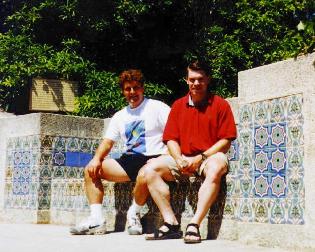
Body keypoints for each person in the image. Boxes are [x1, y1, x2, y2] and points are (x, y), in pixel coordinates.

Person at [143, 61, 237, 243]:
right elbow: (171, 139)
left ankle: (194, 224)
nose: (196, 83)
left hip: (208, 157)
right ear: (186, 80)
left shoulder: (220, 104)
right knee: (149, 169)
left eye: (200, 79)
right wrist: (178, 159)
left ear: (208, 79)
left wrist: (201, 157)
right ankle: (170, 223)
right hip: (182, 158)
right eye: (192, 79)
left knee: (217, 166)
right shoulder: (178, 106)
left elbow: (226, 140)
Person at [70, 69, 170, 235]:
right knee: (90, 169)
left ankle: (134, 213)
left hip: (154, 159)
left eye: (136, 88)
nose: (132, 92)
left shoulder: (157, 107)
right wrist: (96, 159)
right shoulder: (120, 116)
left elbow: (174, 133)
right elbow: (108, 142)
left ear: (142, 88)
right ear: (123, 91)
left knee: (145, 172)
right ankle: (96, 220)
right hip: (129, 160)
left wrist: (168, 154)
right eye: (128, 89)